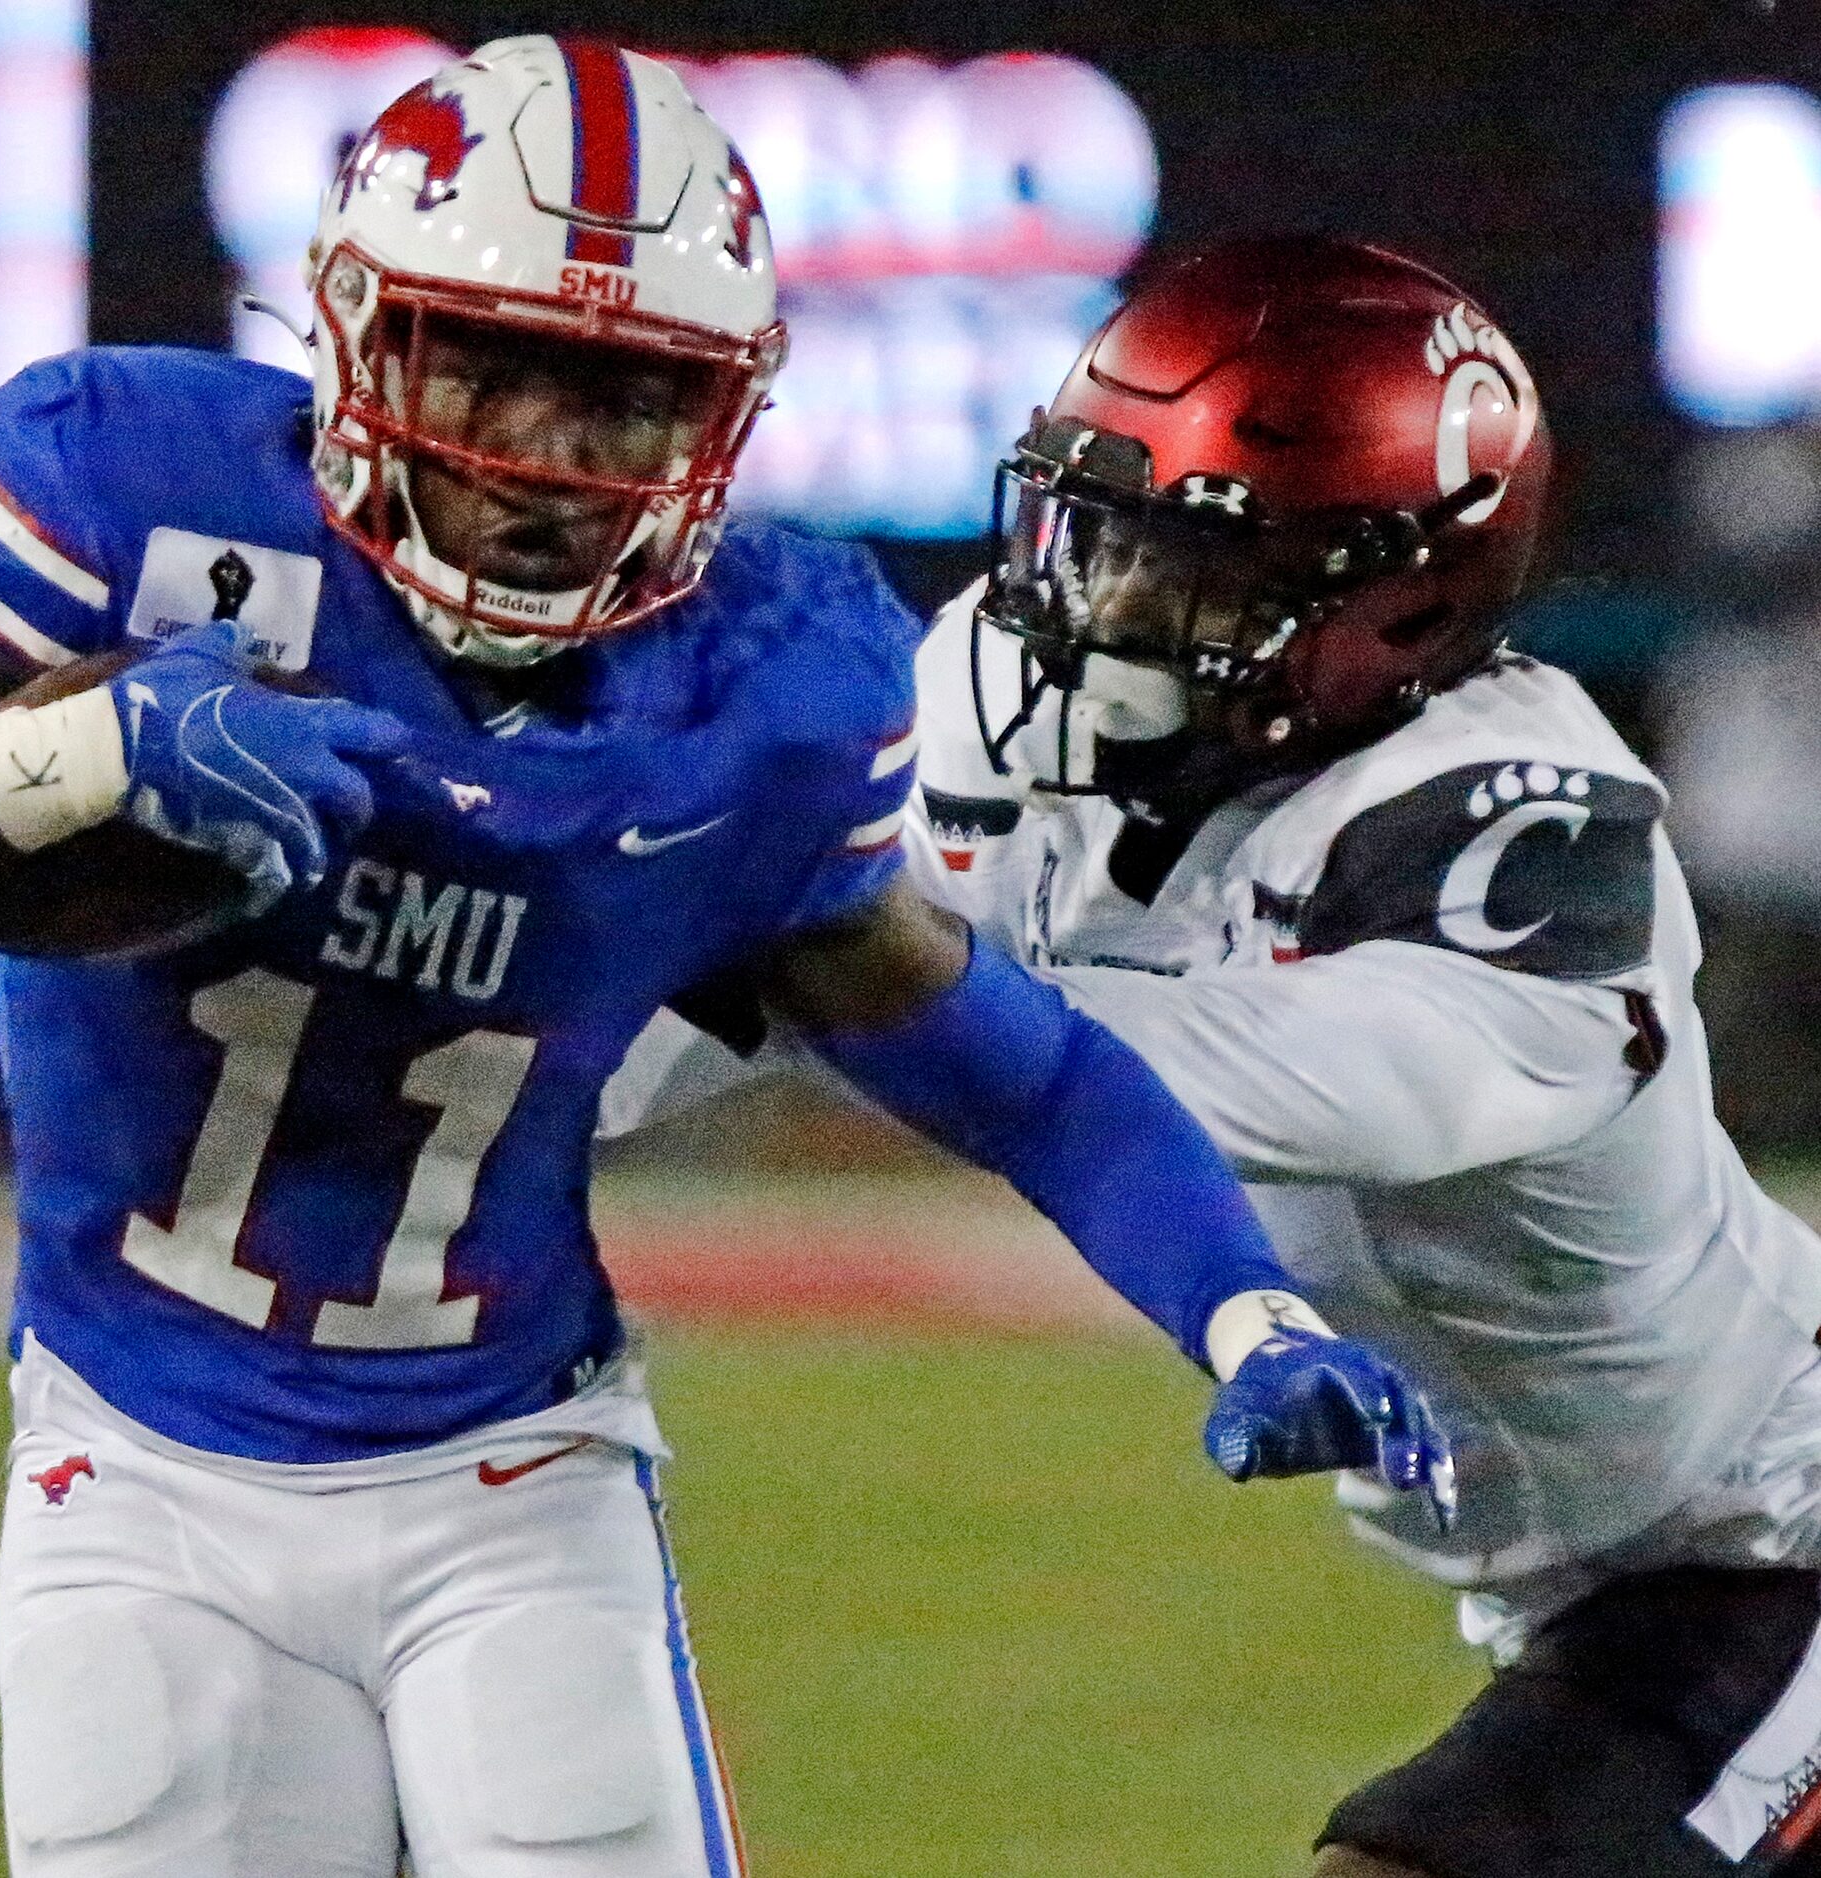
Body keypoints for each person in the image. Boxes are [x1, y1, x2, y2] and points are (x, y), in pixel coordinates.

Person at [0, 47, 1445, 1878]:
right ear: (356, 332)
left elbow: (1009, 1061)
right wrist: (75, 756)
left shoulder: (764, 691)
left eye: (620, 397)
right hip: (137, 1474)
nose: (541, 460)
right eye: (489, 365)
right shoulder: (148, 510)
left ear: (722, 420)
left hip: (512, 1488)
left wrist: (1245, 1304)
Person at [608, 238, 1821, 1878]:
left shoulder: (1527, 845)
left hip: (1771, 1545)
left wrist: (760, 901)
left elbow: (1101, 1073)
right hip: (1614, 1568)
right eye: (1090, 535)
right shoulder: (1005, 677)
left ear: (1397, 606)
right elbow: (680, 1008)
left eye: (1190, 573)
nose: (1091, 609)